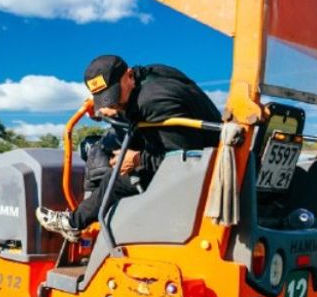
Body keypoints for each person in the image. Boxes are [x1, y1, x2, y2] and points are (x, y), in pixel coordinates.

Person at [36, 55, 221, 241]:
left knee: (115, 177)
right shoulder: (149, 75)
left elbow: (187, 160)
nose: (112, 103)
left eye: (115, 96)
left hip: (203, 170)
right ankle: (89, 212)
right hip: (180, 143)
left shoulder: (155, 101)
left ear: (129, 75)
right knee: (101, 146)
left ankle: (74, 224)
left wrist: (138, 159)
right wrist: (113, 108)